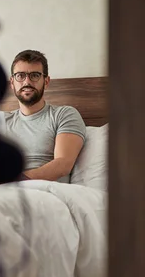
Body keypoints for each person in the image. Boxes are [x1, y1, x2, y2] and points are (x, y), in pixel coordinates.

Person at [6, 49, 86, 182]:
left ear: (46, 81)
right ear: (12, 83)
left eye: (35, 75)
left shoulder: (64, 115)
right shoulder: (1, 121)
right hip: (1, 190)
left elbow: (63, 164)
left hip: (44, 191)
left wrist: (16, 181)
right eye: (20, 76)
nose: (27, 82)